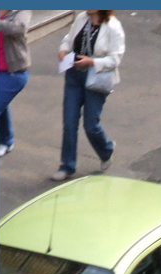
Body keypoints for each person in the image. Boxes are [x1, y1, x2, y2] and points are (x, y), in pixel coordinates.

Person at [52, 10, 124, 181]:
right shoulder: (82, 18)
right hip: (74, 75)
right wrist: (63, 51)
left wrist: (92, 61)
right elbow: (68, 40)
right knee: (69, 122)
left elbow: (115, 59)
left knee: (91, 125)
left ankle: (106, 150)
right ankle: (67, 166)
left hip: (96, 77)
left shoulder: (114, 27)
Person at [0, 10, 31, 158]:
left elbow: (18, 28)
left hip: (13, 73)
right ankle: (7, 140)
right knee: (0, 106)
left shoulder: (21, 10)